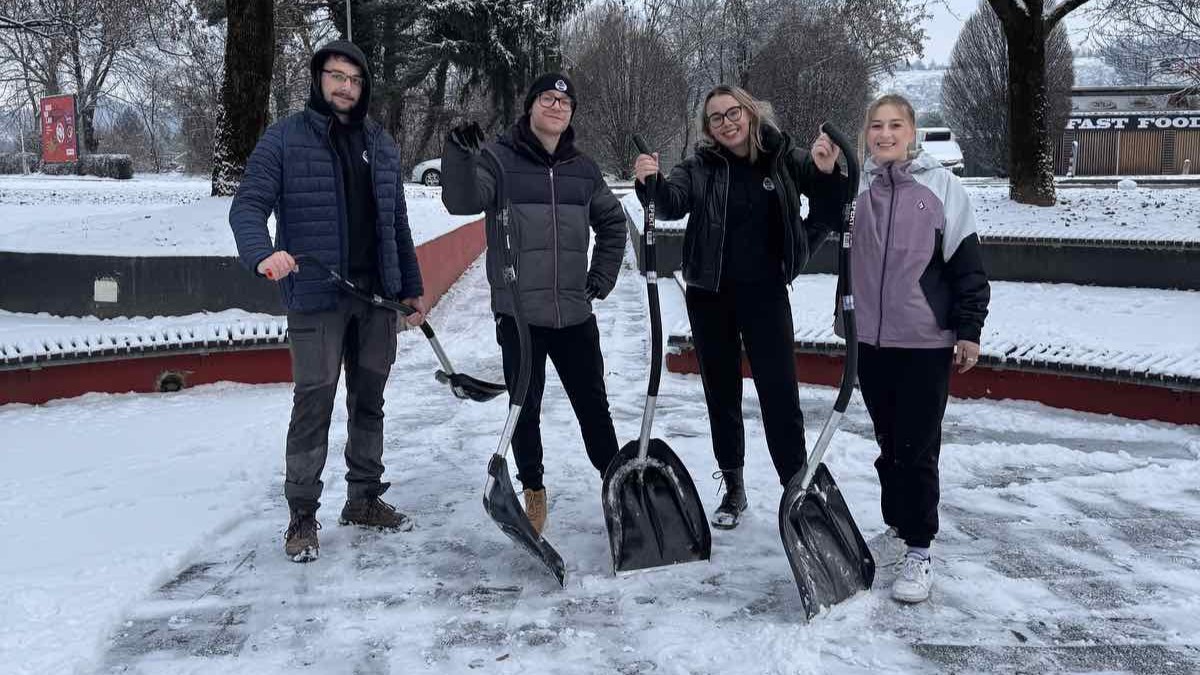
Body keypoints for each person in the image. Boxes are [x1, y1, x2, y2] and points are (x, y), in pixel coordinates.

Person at [229, 40, 427, 563]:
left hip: (377, 297)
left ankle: (363, 498)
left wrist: (410, 286)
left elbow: (397, 224)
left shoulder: (381, 143)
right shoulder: (285, 138)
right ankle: (301, 515)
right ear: (319, 79)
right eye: (336, 76)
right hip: (317, 295)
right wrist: (262, 254)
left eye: (355, 79)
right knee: (314, 402)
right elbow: (248, 205)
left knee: (370, 399)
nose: (345, 86)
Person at [632, 85, 844, 530]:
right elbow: (670, 203)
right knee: (722, 394)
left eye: (733, 113)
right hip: (710, 296)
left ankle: (796, 490)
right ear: (707, 128)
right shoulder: (699, 166)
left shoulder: (783, 157)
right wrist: (651, 181)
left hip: (766, 295)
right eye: (716, 118)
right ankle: (733, 486)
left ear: (750, 112)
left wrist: (824, 176)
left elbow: (830, 203)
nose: (727, 123)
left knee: (780, 395)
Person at [440, 73, 628, 536]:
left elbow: (613, 223)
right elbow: (462, 201)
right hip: (520, 316)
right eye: (548, 98)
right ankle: (534, 492)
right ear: (530, 106)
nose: (557, 106)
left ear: (572, 113)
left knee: (594, 407)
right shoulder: (499, 160)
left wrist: (601, 277)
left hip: (574, 313)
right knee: (525, 408)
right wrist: (458, 154)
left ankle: (618, 485)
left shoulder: (583, 170)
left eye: (565, 101)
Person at [848, 94, 990, 603]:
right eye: (876, 126)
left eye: (895, 125)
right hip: (871, 339)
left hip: (925, 340)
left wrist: (969, 329)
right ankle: (897, 525)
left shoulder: (943, 188)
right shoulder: (857, 188)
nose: (885, 134)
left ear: (912, 133)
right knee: (889, 444)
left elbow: (967, 265)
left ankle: (919, 547)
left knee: (918, 447)